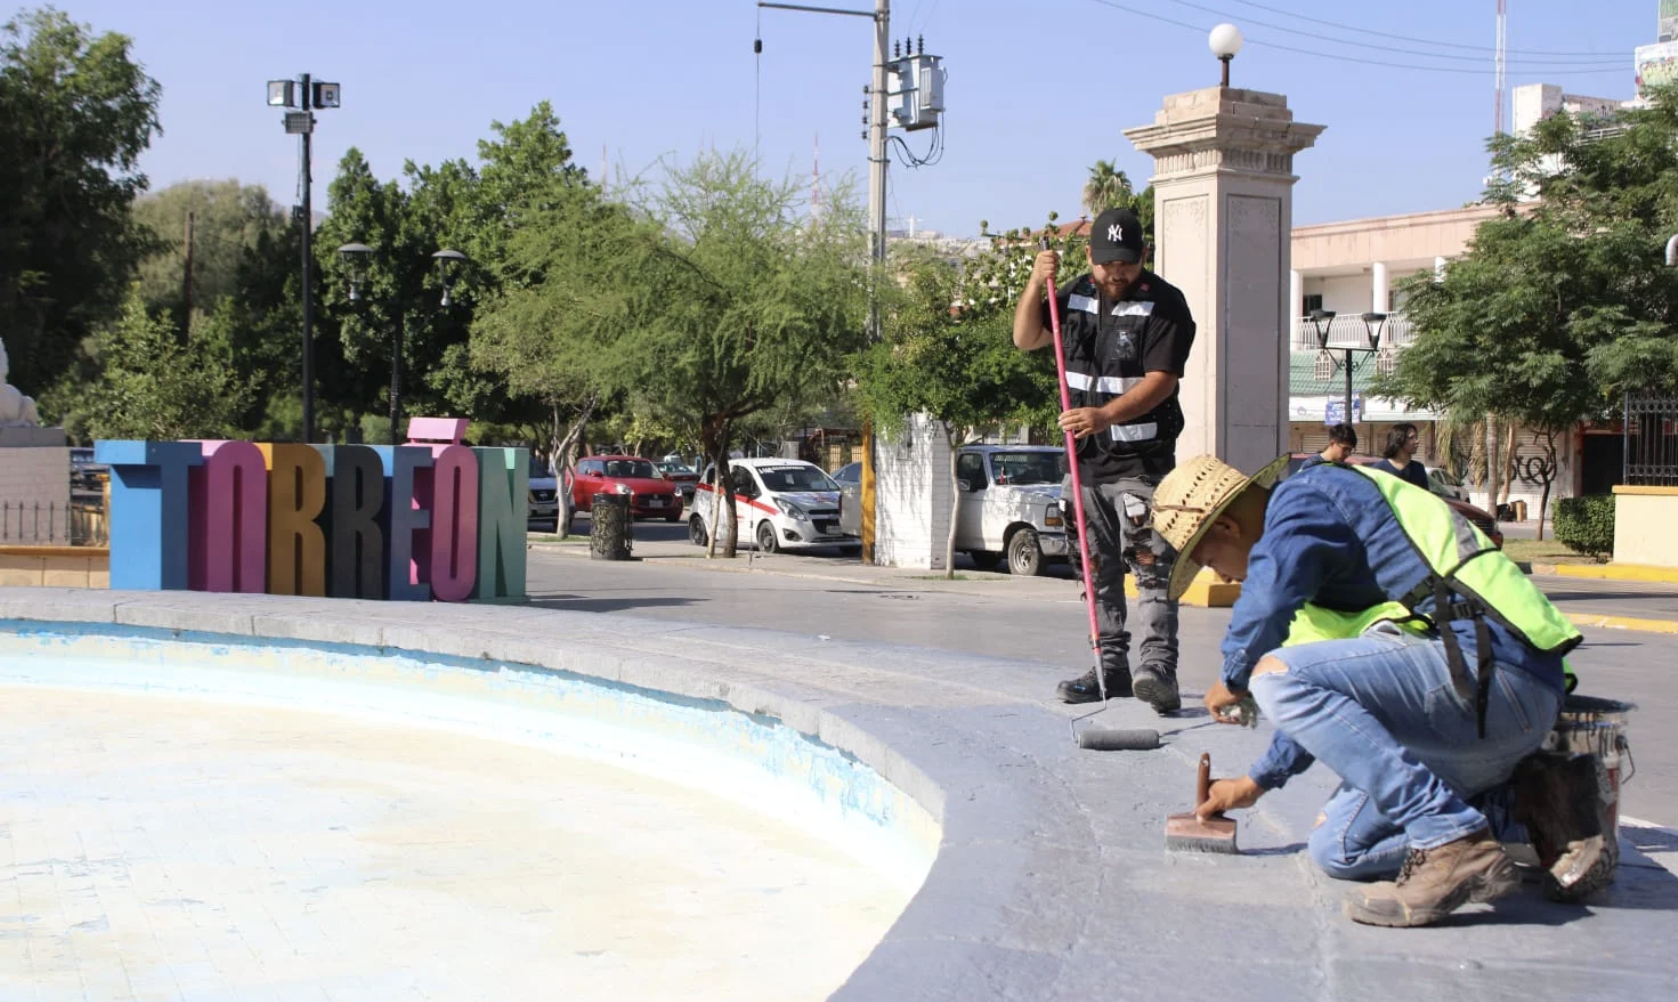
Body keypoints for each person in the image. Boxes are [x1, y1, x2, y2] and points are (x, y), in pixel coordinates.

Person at [1150, 454, 1607, 927]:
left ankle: (1450, 837)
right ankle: (1526, 808)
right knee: (1340, 849)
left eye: (1210, 562)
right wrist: (1253, 784)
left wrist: (1234, 676)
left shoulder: (1306, 496)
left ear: (1226, 526)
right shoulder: (1323, 575)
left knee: (1274, 675)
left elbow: (1267, 607)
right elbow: (1331, 706)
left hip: (1497, 674)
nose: (1222, 578)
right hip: (1472, 709)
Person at [1012, 207, 1197, 714]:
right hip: (1085, 465)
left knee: (1150, 566)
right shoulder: (1070, 295)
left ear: (1143, 257)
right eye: (1108, 263)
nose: (1117, 273)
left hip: (1140, 465)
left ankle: (1158, 669)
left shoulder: (1165, 305)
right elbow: (1026, 338)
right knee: (1095, 569)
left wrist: (1104, 416)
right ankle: (1108, 669)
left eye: (1128, 263)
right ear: (1090, 256)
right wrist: (1035, 282)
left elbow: (1162, 381)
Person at [1372, 423, 1430, 491]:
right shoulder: (1379, 468)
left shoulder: (1418, 468)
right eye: (1411, 438)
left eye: (1416, 437)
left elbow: (1424, 496)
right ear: (1399, 440)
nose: (1417, 441)